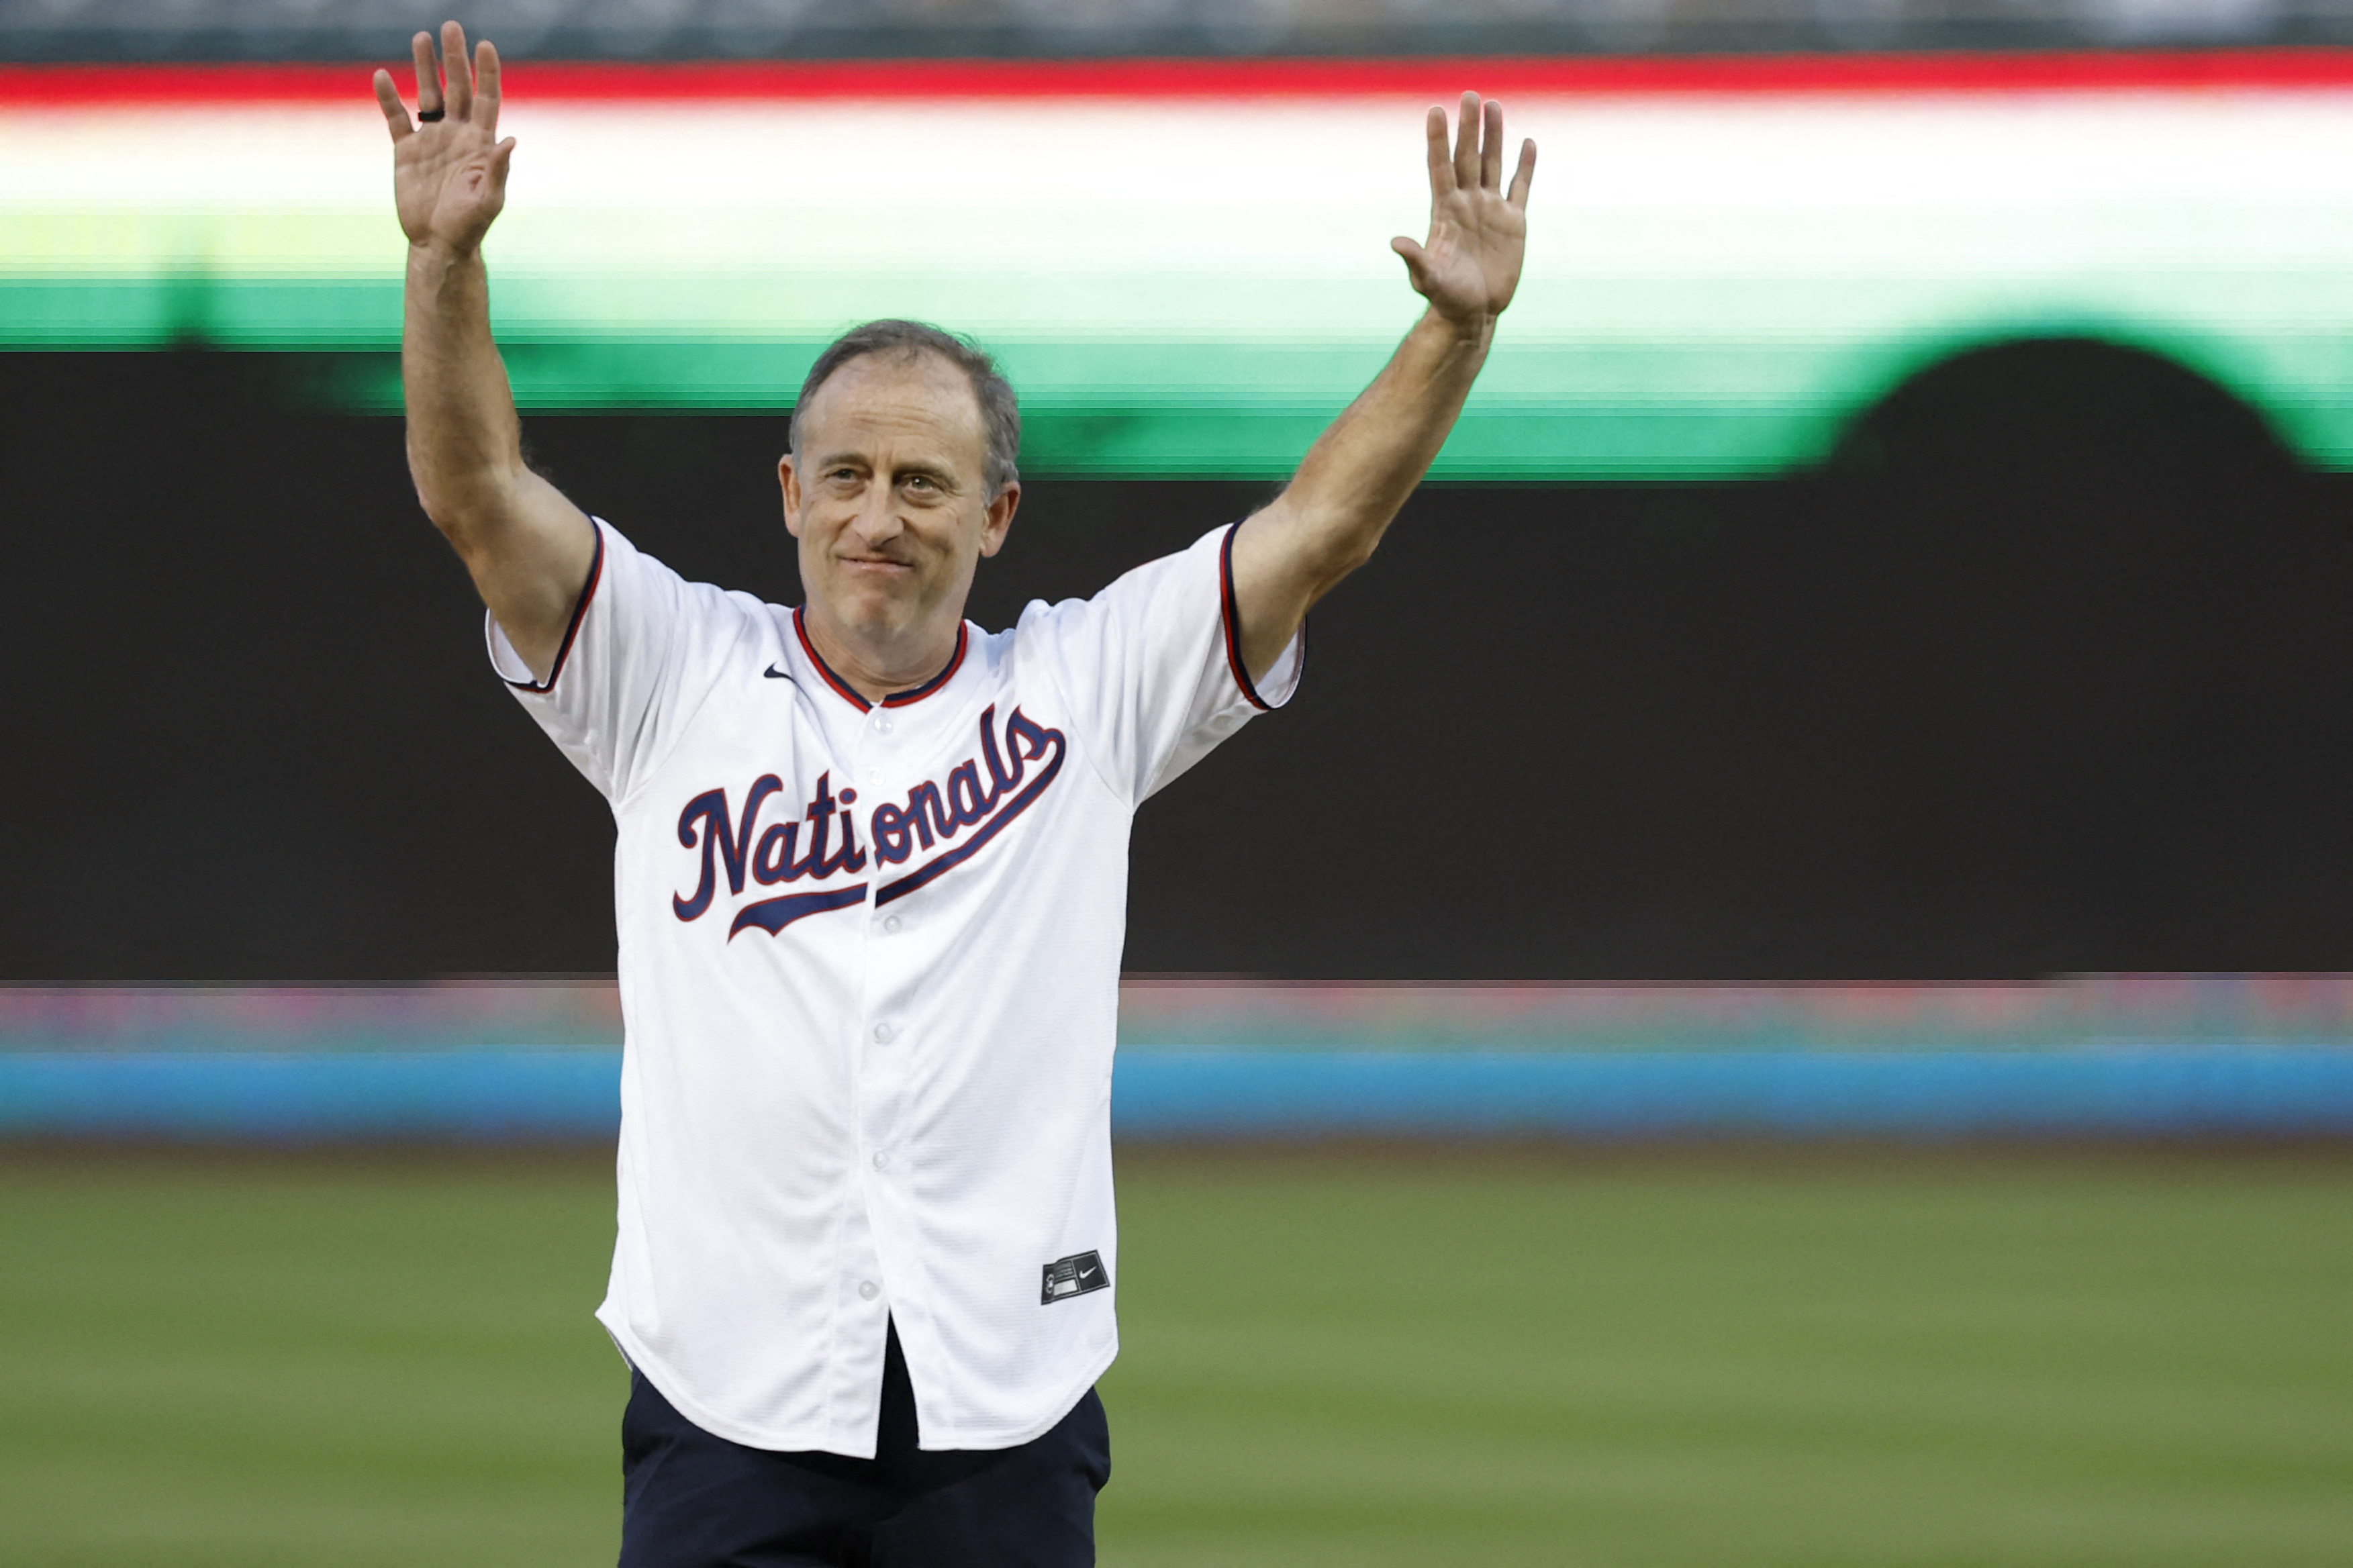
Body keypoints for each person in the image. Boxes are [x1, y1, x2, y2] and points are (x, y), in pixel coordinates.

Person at [374, 20, 1534, 1566]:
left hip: (1002, 1397)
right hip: (733, 1390)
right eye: (845, 474)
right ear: (789, 495)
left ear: (995, 514)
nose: (879, 514)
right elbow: (474, 493)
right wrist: (446, 262)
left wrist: (1453, 332)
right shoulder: (668, 671)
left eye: (922, 482)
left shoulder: (1081, 687)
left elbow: (1318, 528)